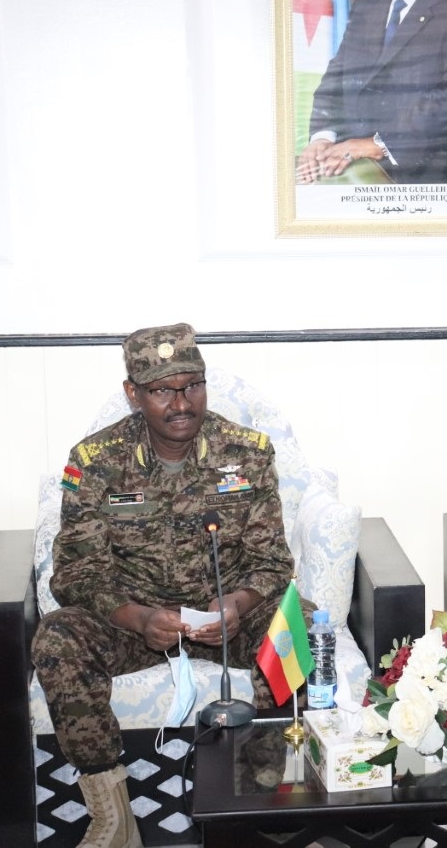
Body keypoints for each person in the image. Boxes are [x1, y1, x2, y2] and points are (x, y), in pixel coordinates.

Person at [31, 323, 308, 848]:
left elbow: (271, 561)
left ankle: (265, 784)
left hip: (225, 618)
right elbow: (75, 572)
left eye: (192, 385)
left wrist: (238, 601)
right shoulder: (95, 461)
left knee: (292, 621)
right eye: (162, 390)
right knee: (58, 636)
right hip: (133, 624)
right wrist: (136, 618)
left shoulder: (245, 452)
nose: (181, 403)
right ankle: (112, 814)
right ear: (133, 394)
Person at [295, 0, 447, 185]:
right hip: (359, 175)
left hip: (439, 181)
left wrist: (379, 143)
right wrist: (322, 138)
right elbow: (337, 76)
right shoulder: (368, 5)